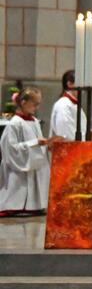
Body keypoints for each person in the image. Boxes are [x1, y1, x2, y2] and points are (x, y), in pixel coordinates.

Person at [0, 87, 51, 216]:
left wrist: (47, 144)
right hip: (17, 172)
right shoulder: (14, 124)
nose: (37, 108)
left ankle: (35, 204)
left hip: (33, 165)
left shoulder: (34, 122)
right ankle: (15, 205)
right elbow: (11, 149)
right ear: (23, 102)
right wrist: (34, 144)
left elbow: (38, 144)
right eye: (35, 104)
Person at [48, 70, 87, 141]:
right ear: (69, 84)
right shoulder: (63, 105)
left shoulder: (73, 104)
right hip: (68, 149)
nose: (83, 87)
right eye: (80, 83)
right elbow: (65, 134)